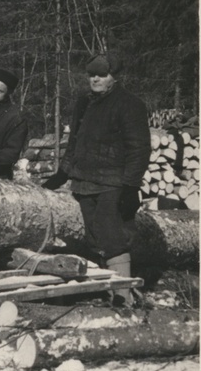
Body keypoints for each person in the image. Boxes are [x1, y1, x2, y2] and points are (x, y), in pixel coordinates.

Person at [43, 54, 149, 301]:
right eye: (92, 75)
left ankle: (123, 296)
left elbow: (139, 148)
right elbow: (75, 142)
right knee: (92, 238)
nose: (96, 79)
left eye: (101, 75)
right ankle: (104, 291)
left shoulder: (129, 104)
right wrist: (62, 173)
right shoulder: (84, 103)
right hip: (84, 183)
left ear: (114, 77)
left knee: (113, 238)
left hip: (113, 184)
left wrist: (131, 187)